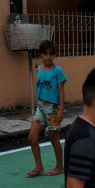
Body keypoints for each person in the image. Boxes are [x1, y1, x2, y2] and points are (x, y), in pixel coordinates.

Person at [26, 40, 67, 177]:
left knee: (53, 138)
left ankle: (59, 166)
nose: (48, 57)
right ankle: (39, 167)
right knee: (32, 137)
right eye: (45, 54)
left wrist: (61, 109)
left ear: (54, 55)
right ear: (41, 55)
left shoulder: (58, 71)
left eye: (51, 54)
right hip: (41, 108)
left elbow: (61, 91)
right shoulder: (40, 69)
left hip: (53, 108)